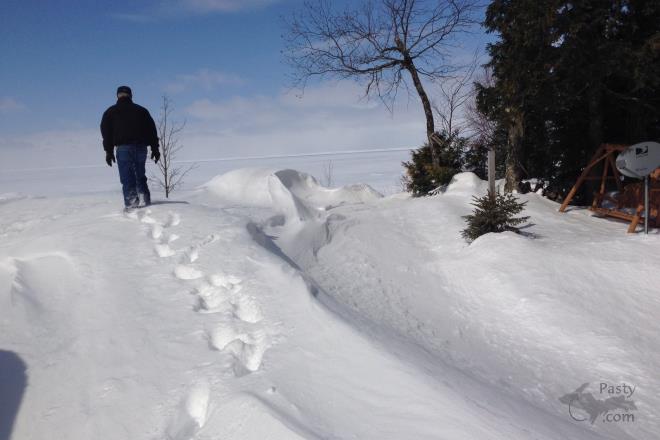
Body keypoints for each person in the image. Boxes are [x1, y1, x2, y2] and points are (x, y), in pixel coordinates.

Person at [100, 86, 161, 210]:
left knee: (127, 179)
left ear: (118, 96)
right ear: (131, 95)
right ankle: (146, 203)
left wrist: (108, 151)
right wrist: (155, 148)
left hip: (123, 149)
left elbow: (106, 133)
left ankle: (132, 207)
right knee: (140, 176)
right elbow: (152, 131)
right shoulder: (141, 111)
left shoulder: (110, 112)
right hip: (141, 148)